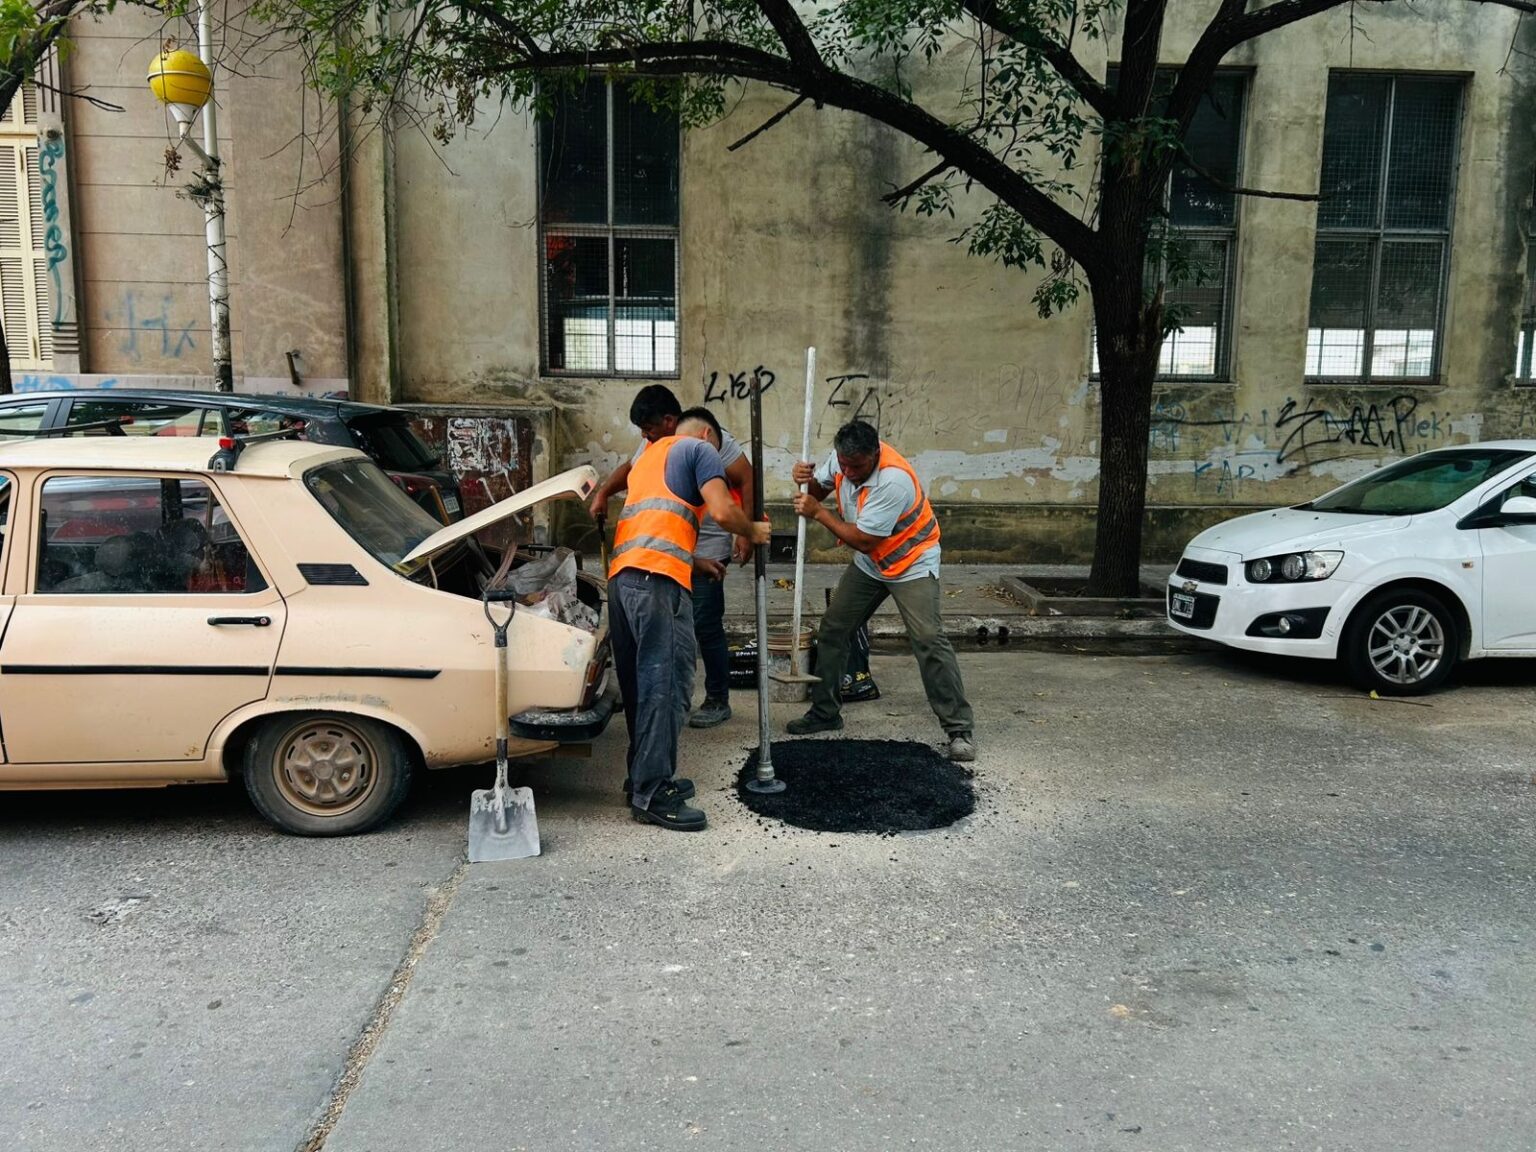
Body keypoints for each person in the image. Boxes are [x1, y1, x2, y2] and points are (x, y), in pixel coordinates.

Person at [607, 411, 771, 831]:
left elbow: (654, 525)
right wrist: (752, 530)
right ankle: (652, 792)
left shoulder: (648, 457)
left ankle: (640, 777)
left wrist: (693, 561)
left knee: (641, 686)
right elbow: (720, 509)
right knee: (668, 685)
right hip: (657, 584)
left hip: (624, 579)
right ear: (707, 434)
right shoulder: (700, 449)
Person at [787, 419, 976, 762]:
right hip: (872, 565)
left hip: (911, 562)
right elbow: (815, 492)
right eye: (844, 466)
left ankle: (959, 729)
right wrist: (804, 481)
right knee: (833, 630)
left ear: (875, 454)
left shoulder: (893, 480)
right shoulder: (843, 459)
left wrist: (817, 513)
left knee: (928, 640)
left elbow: (862, 539)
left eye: (857, 467)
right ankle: (825, 713)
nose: (850, 473)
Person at [589, 386, 756, 729]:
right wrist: (604, 491)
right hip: (667, 551)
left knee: (705, 625)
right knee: (667, 636)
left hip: (705, 546)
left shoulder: (709, 443)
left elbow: (746, 479)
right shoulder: (654, 444)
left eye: (648, 428)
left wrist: (746, 531)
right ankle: (659, 709)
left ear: (669, 421)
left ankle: (716, 699)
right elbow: (630, 469)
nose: (645, 436)